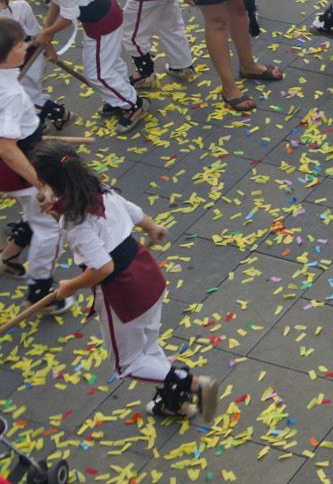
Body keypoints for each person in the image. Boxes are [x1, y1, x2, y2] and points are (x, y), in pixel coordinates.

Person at [33, 140, 219, 418]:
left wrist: (69, 286)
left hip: (122, 293)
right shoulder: (100, 190)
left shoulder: (75, 221)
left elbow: (103, 268)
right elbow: (133, 212)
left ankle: (193, 384)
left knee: (128, 364)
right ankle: (174, 402)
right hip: (148, 274)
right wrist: (153, 227)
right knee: (147, 346)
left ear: (49, 183)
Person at [16, 0, 146, 131]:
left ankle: (133, 104)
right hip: (99, 18)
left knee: (98, 73)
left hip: (103, 21)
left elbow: (69, 17)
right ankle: (121, 94)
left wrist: (47, 33)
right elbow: (55, 2)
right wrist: (46, 29)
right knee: (108, 64)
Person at [0, 19, 60, 308]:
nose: (26, 46)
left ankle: (8, 255)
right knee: (50, 226)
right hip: (20, 168)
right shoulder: (9, 94)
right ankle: (41, 290)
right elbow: (6, 147)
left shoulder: (7, 78)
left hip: (23, 153)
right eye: (19, 44)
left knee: (32, 212)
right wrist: (41, 183)